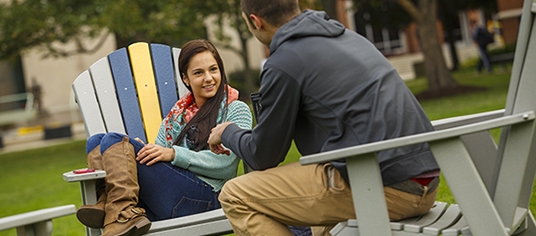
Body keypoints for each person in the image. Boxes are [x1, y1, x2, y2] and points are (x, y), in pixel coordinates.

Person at [207, 1, 440, 235]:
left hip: (383, 187)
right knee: (320, 212)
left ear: (255, 21)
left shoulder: (285, 62)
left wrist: (227, 131)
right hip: (424, 182)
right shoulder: (349, 38)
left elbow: (263, 155)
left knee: (235, 195)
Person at [75, 39, 252, 236]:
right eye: (198, 73)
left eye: (213, 69)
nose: (208, 78)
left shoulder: (236, 109)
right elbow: (160, 155)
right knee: (97, 141)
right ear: (185, 78)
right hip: (171, 197)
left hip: (208, 198)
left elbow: (225, 165)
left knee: (114, 140)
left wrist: (173, 154)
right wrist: (142, 150)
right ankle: (111, 205)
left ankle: (116, 210)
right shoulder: (177, 115)